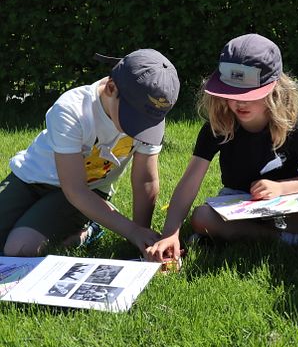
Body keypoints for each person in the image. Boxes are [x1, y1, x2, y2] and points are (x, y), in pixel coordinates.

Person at [145, 34, 298, 262]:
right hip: (237, 203)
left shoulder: (290, 123)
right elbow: (190, 183)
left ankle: (232, 237)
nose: (239, 103)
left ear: (274, 88)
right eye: (231, 94)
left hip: (286, 202)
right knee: (202, 217)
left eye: (248, 95)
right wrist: (170, 234)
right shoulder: (218, 125)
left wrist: (280, 189)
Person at [0, 49, 180, 256]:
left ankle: (89, 229)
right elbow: (74, 187)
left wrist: (140, 234)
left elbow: (145, 180)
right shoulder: (72, 110)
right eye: (133, 119)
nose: (139, 129)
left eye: (148, 123)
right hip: (30, 180)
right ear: (111, 88)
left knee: (20, 248)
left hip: (87, 192)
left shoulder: (148, 114)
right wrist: (131, 230)